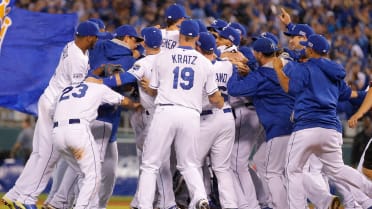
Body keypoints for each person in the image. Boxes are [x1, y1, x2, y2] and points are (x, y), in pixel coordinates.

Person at [1, 21, 105, 209]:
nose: (97, 39)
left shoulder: (72, 46)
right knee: (49, 156)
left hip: (48, 98)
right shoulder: (77, 59)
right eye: (96, 36)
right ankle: (27, 199)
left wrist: (95, 73)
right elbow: (77, 90)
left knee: (39, 154)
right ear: (89, 37)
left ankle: (14, 194)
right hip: (55, 107)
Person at [273, 34, 372, 209]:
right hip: (330, 129)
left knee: (293, 170)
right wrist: (365, 95)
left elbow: (288, 87)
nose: (304, 48)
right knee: (338, 169)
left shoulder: (303, 67)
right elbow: (347, 95)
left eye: (306, 46)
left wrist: (278, 69)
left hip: (306, 127)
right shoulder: (336, 72)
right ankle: (369, 190)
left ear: (310, 50)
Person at [135, 19, 224, 209]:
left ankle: (144, 206)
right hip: (191, 114)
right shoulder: (205, 63)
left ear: (180, 35)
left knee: (150, 164)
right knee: (189, 164)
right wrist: (219, 102)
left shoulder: (163, 56)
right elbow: (216, 99)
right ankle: (200, 198)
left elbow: (153, 90)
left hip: (166, 110)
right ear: (197, 38)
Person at [50, 78, 139, 209]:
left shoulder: (66, 89)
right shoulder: (98, 88)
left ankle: (60, 203)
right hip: (77, 130)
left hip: (57, 133)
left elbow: (51, 112)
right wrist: (138, 105)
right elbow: (124, 101)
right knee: (93, 176)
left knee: (82, 173)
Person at [228, 37, 294, 209]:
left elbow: (234, 89)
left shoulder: (262, 76)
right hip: (296, 124)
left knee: (269, 170)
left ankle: (278, 206)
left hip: (279, 128)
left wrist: (236, 70)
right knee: (273, 165)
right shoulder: (286, 68)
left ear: (258, 53)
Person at [127, 27, 177, 209]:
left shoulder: (144, 62)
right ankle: (142, 201)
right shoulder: (170, 60)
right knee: (154, 162)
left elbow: (126, 78)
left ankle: (167, 203)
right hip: (171, 114)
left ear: (145, 43)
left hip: (155, 117)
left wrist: (101, 80)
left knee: (155, 163)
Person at [195, 32, 238, 209]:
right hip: (227, 115)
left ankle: (200, 201)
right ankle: (230, 206)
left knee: (193, 164)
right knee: (222, 169)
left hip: (207, 117)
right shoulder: (228, 65)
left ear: (199, 47)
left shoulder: (200, 66)